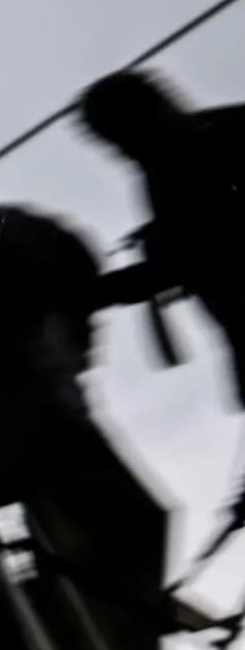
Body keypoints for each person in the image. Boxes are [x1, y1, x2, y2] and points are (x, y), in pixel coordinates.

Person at [79, 64, 245, 407]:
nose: (120, 152)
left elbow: (193, 255)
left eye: (118, 137)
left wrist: (93, 293)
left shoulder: (208, 144)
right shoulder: (167, 173)